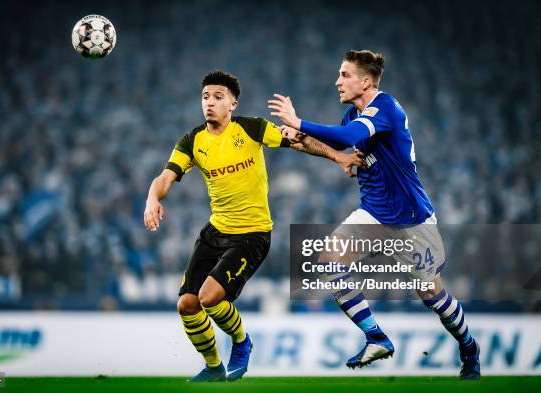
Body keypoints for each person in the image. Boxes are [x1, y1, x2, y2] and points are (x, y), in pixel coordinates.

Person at [268, 50, 481, 380]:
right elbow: (343, 151)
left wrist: (299, 122)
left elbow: (348, 138)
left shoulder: (385, 107)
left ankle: (468, 347)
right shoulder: (353, 115)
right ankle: (376, 338)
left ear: (365, 81)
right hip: (373, 215)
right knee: (328, 262)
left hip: (411, 219)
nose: (337, 81)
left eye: (344, 75)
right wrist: (300, 139)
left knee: (432, 296)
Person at [144, 70, 365, 382]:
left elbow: (298, 140)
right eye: (205, 97)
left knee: (209, 298)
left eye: (218, 97)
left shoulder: (251, 129)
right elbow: (165, 176)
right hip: (215, 232)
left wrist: (339, 157)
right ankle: (213, 367)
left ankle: (242, 341)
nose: (210, 102)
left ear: (232, 103)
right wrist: (152, 198)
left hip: (252, 235)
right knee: (187, 304)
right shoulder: (193, 141)